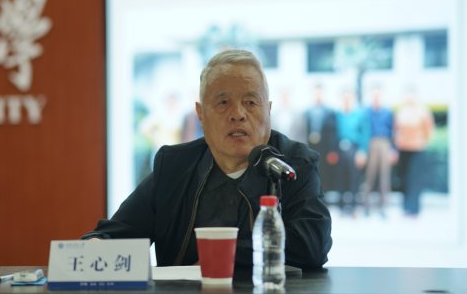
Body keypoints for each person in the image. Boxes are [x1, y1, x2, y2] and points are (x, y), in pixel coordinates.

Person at [81, 50, 333, 268]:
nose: (238, 114)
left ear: (267, 110)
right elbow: (116, 233)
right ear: (201, 114)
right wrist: (97, 244)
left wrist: (223, 256)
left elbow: (311, 245)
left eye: (250, 102)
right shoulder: (174, 166)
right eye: (223, 102)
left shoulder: (294, 164)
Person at [394, 89, 434, 217]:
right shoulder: (401, 112)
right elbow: (396, 130)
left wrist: (423, 141)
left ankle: (415, 209)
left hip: (417, 149)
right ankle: (406, 208)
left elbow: (429, 130)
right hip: (403, 149)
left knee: (415, 180)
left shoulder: (423, 112)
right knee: (404, 179)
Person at [360, 86, 398, 217]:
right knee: (369, 175)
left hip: (385, 143)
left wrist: (394, 149)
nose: (376, 97)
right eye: (374, 94)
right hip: (371, 142)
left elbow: (394, 131)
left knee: (384, 176)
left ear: (382, 96)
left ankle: (383, 206)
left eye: (378, 95)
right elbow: (363, 130)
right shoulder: (366, 112)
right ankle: (366, 205)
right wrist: (363, 150)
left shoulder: (388, 112)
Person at [335, 89, 370, 215]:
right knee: (340, 177)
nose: (347, 101)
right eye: (344, 98)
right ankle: (341, 207)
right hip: (340, 149)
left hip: (354, 149)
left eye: (349, 98)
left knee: (354, 178)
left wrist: (362, 152)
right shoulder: (337, 115)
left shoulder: (359, 115)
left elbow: (365, 134)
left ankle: (354, 207)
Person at [305, 85, 339, 194]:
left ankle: (324, 193)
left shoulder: (330, 112)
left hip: (325, 147)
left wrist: (332, 150)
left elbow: (333, 132)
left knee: (324, 170)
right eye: (316, 93)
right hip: (311, 146)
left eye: (320, 93)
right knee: (311, 169)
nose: (318, 95)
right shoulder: (307, 112)